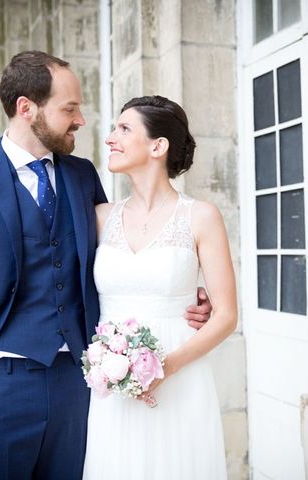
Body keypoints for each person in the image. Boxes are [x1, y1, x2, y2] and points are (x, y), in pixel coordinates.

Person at [0, 51, 210, 479]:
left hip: (80, 386)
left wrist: (185, 291)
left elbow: (122, 254)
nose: (81, 121)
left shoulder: (82, 174)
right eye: (69, 109)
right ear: (26, 108)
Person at [83, 95, 237, 479]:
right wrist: (117, 370)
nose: (110, 138)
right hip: (112, 382)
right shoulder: (100, 217)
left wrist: (163, 370)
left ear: (158, 146)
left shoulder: (200, 216)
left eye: (124, 128)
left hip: (180, 376)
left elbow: (227, 316)